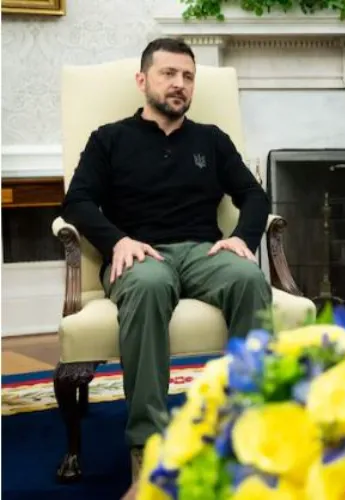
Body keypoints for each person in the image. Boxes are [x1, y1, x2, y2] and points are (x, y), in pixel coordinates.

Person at [61, 38, 272, 479]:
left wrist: (243, 239)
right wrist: (117, 241)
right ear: (143, 81)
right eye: (169, 74)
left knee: (249, 279)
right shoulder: (110, 139)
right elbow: (77, 201)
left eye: (188, 76)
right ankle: (148, 442)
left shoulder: (211, 141)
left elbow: (253, 194)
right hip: (138, 253)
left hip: (202, 252)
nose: (180, 84)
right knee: (150, 284)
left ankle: (243, 428)